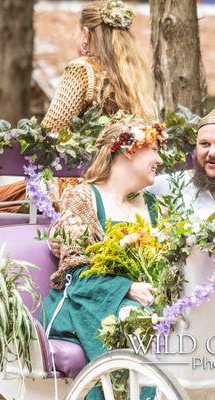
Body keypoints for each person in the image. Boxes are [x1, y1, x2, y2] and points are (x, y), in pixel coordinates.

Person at [0, 0, 158, 211]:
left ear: (87, 34)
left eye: (77, 31)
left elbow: (49, 133)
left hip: (74, 187)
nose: (74, 37)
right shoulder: (133, 79)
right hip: (120, 186)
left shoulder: (83, 70)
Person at [40, 119, 166, 399]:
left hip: (146, 298)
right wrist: (127, 287)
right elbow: (76, 274)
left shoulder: (156, 207)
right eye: (154, 149)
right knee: (135, 319)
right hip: (86, 301)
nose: (159, 158)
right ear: (130, 150)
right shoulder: (84, 197)